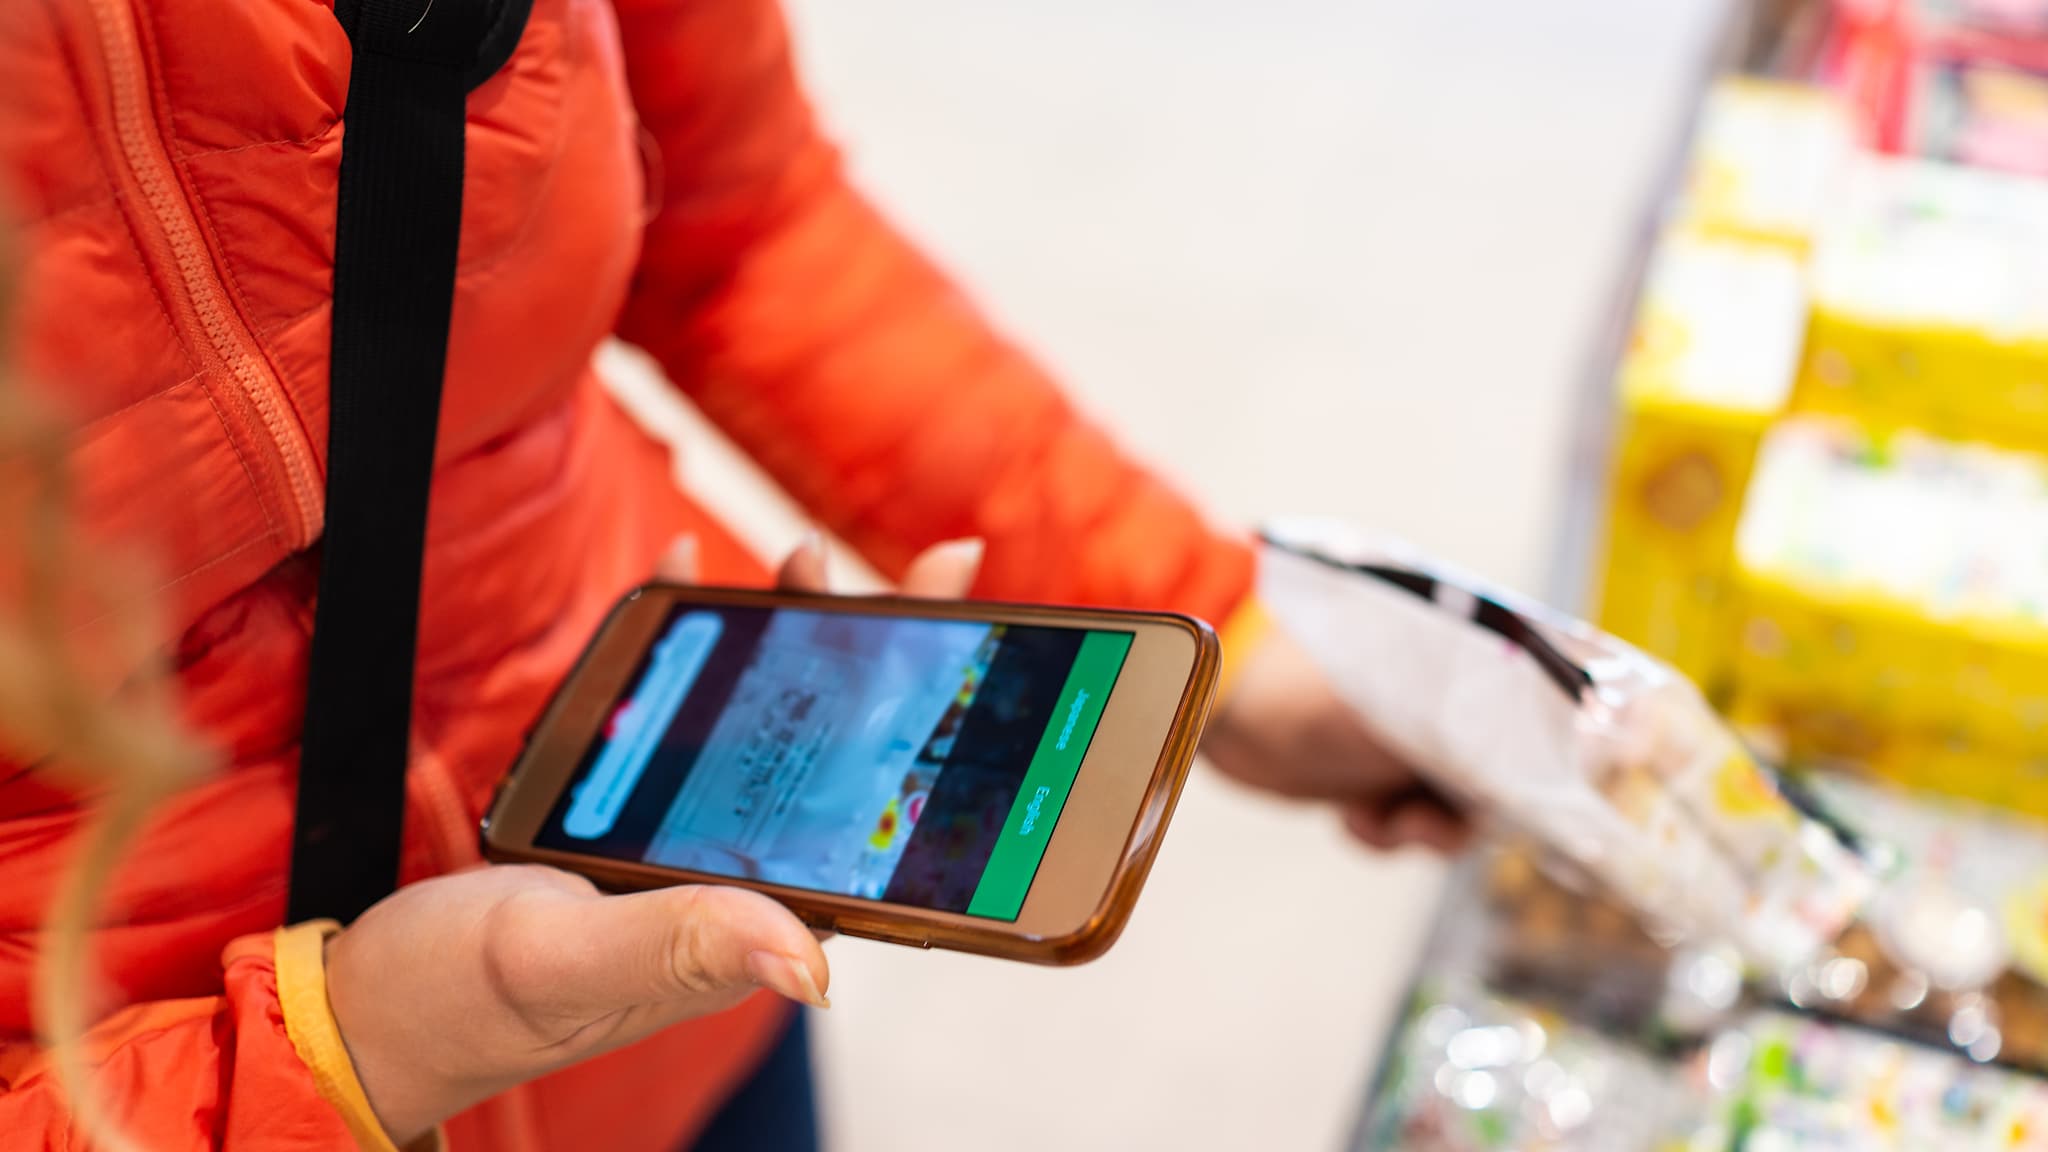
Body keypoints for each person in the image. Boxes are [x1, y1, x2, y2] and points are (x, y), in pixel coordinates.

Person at [0, 0, 1465, 1149]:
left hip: (676, 952)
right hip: (145, 1072)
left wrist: (1225, 624)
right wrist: (342, 1057)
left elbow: (740, 218)